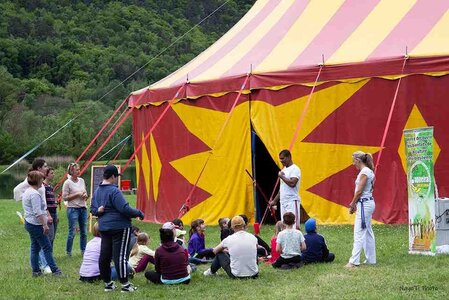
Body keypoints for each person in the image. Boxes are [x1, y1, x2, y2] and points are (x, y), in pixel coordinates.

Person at [91, 165, 144, 293]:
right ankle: (125, 285)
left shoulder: (97, 191)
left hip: (104, 227)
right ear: (113, 176)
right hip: (120, 227)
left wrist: (99, 211)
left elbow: (93, 210)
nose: (116, 179)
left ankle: (108, 284)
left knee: (105, 255)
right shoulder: (114, 191)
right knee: (119, 256)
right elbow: (124, 209)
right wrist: (139, 213)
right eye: (116, 177)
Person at [14, 158, 53, 273]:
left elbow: (43, 203)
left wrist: (47, 214)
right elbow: (17, 191)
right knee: (44, 244)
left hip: (40, 215)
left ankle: (36, 269)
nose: (47, 168)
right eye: (45, 166)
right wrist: (26, 199)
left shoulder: (40, 182)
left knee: (36, 245)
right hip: (35, 219)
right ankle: (48, 267)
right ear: (39, 168)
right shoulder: (30, 182)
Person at [22, 170, 62, 277]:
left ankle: (36, 271)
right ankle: (55, 271)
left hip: (29, 223)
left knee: (35, 247)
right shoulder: (34, 194)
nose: (42, 181)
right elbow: (38, 212)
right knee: (47, 247)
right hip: (35, 224)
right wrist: (44, 225)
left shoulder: (27, 191)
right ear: (38, 180)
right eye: (41, 179)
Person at [346, 151, 376, 268]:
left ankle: (353, 261)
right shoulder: (369, 172)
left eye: (354, 161)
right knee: (367, 232)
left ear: (358, 160)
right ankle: (371, 259)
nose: (353, 164)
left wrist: (353, 204)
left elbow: (359, 191)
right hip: (366, 203)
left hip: (364, 204)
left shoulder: (364, 172)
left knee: (359, 232)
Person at [269, 149, 301, 229]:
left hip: (292, 201)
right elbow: (282, 189)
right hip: (283, 201)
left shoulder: (295, 169)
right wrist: (274, 201)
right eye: (280, 158)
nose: (281, 161)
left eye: (282, 158)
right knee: (285, 226)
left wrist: (282, 177)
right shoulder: (283, 170)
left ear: (289, 157)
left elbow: (292, 183)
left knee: (294, 226)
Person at [62, 162, 88, 256]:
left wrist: (85, 195)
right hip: (73, 209)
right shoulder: (67, 183)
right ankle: (68, 252)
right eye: (76, 170)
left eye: (79, 169)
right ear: (71, 171)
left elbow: (85, 193)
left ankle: (83, 251)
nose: (79, 171)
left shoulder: (82, 180)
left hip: (83, 208)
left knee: (84, 232)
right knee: (72, 232)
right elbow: (65, 198)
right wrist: (77, 194)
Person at [44, 167, 58, 246]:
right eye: (52, 173)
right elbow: (44, 203)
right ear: (46, 175)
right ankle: (47, 256)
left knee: (53, 236)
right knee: (50, 236)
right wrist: (48, 215)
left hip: (54, 213)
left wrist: (56, 215)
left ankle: (50, 255)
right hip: (48, 214)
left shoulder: (50, 187)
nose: (53, 175)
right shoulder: (43, 187)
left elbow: (53, 202)